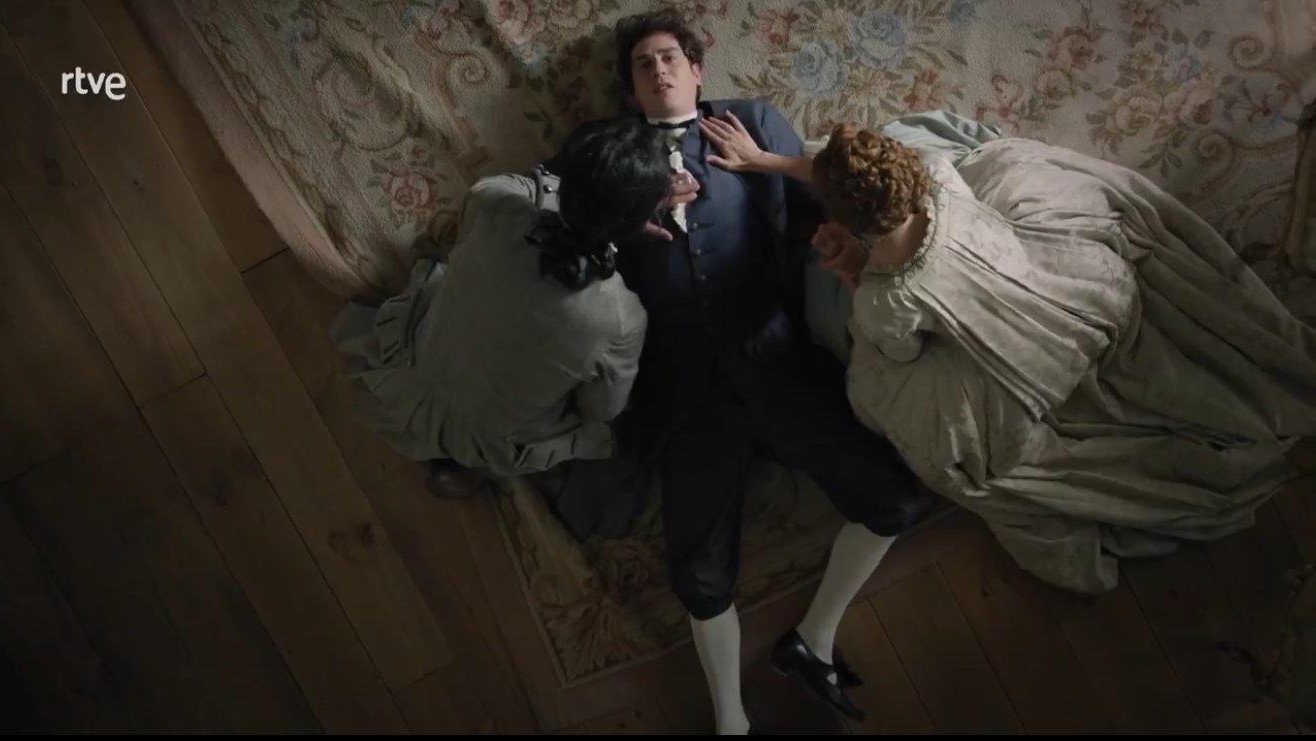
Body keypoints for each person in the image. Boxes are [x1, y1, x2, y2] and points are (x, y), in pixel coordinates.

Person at [701, 114, 1316, 593]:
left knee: (875, 389)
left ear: (851, 220)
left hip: (1023, 365)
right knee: (952, 148)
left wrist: (852, 272)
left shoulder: (891, 298)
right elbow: (875, 177)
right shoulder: (938, 180)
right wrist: (771, 162)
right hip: (1070, 291)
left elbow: (897, 351)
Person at [541, 9, 928, 733]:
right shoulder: (601, 147)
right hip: (683, 386)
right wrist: (629, 210)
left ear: (696, 69)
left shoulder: (751, 121)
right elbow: (552, 223)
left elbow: (826, 202)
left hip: (774, 357)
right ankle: (731, 722)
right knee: (698, 574)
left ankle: (813, 639)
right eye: (642, 64)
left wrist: (784, 188)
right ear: (630, 87)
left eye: (669, 57)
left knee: (895, 502)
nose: (658, 69)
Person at [330, 118, 668, 497]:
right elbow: (599, 410)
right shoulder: (622, 318)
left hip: (423, 370)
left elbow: (512, 185)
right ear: (641, 221)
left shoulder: (497, 207)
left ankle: (451, 451)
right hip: (489, 432)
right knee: (605, 420)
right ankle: (476, 467)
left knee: (445, 280)